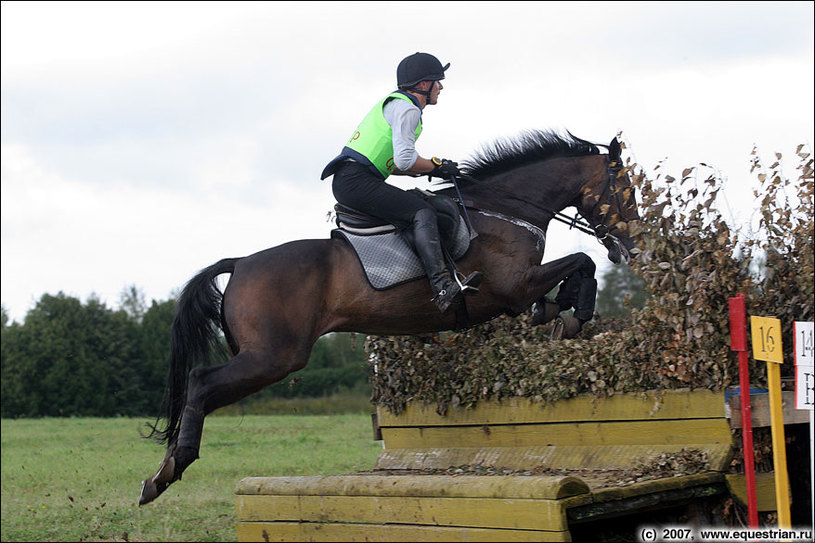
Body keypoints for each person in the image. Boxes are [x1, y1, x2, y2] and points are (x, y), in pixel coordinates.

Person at [321, 52, 482, 313]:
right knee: (422, 210)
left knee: (417, 205)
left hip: (354, 179)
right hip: (356, 181)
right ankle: (441, 286)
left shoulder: (399, 105)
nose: (440, 87)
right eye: (436, 81)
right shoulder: (408, 109)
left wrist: (434, 170)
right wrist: (437, 165)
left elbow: (395, 164)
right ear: (422, 85)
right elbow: (406, 160)